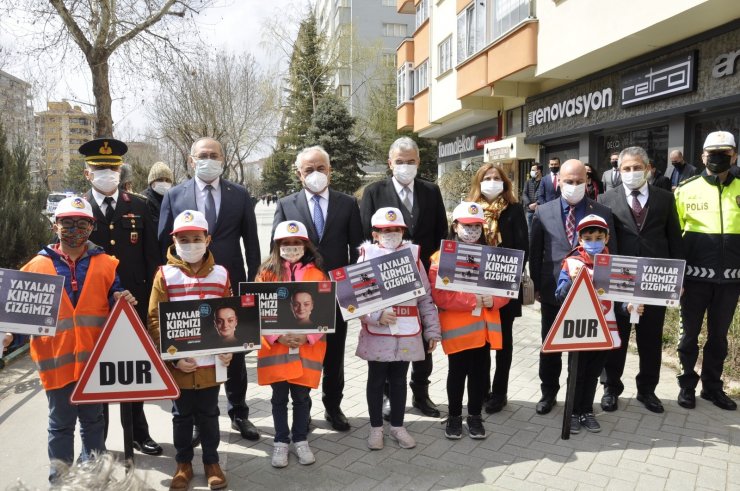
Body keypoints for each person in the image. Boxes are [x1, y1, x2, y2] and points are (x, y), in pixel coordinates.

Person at [20, 196, 136, 482]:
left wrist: (123, 301)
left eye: (81, 223)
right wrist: (10, 336)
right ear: (55, 226)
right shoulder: (35, 267)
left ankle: (94, 476)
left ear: (92, 226)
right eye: (67, 223)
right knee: (60, 425)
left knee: (93, 423)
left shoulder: (106, 264)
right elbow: (22, 317)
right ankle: (59, 479)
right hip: (56, 365)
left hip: (94, 365)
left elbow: (115, 300)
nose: (74, 229)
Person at [159, 136, 261, 441]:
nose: (209, 159)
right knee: (192, 351)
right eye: (203, 155)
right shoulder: (175, 195)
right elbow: (163, 241)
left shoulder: (240, 195)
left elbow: (252, 243)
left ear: (223, 158)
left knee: (234, 352)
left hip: (229, 284)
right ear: (191, 160)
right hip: (186, 286)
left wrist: (251, 285)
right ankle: (193, 420)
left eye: (214, 154)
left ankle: (239, 412)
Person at [79, 137, 162, 456]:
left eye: (111, 168)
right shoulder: (78, 209)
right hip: (94, 305)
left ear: (120, 170)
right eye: (99, 168)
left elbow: (152, 257)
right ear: (88, 174)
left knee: (133, 368)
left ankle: (139, 432)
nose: (106, 173)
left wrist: (154, 300)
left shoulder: (138, 205)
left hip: (135, 302)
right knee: (99, 372)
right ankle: (98, 441)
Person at [272, 145, 363, 432]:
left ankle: (333, 407)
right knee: (303, 352)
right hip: (300, 296)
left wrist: (351, 290)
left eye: (320, 168)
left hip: (336, 294)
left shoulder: (347, 204)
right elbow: (276, 252)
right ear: (300, 174)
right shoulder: (286, 204)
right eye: (309, 169)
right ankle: (304, 410)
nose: (315, 174)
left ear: (330, 171)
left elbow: (357, 250)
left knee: (334, 356)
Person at [360, 136, 447, 418]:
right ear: (390, 163)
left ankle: (421, 393)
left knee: (421, 338)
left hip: (421, 279)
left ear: (419, 162)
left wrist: (434, 273)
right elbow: (365, 235)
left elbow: (440, 234)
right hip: (385, 280)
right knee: (389, 339)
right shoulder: (374, 192)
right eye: (400, 162)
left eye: (411, 162)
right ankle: (387, 396)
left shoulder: (431, 191)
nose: (405, 166)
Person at [147, 209, 232, 490]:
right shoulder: (165, 275)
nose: (191, 244)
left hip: (210, 364)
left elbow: (230, 315)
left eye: (196, 238)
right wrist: (175, 359)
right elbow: (154, 319)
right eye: (184, 239)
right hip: (180, 365)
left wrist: (229, 348)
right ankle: (183, 464)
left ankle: (211, 463)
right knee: (181, 417)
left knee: (209, 415)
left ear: (207, 239)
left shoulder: (221, 275)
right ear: (174, 241)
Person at [597, 146, 684, 414]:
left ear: (647, 169)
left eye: (637, 167)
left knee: (650, 338)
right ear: (619, 171)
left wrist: (679, 278)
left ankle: (647, 390)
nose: (632, 172)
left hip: (654, 280)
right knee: (617, 336)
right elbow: (604, 242)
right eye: (626, 168)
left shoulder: (665, 198)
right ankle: (611, 387)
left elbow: (674, 238)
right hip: (619, 280)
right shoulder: (606, 198)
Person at [530, 159, 618, 415]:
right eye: (569, 181)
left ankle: (578, 398)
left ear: (588, 181)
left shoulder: (602, 212)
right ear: (559, 182)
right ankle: (548, 394)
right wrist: (536, 284)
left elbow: (611, 255)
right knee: (550, 346)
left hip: (592, 296)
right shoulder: (543, 211)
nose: (574, 185)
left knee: (583, 350)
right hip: (553, 291)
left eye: (580, 181)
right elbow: (536, 252)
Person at [357, 207, 441, 450]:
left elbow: (425, 297)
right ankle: (375, 429)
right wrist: (375, 316)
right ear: (375, 234)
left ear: (403, 232)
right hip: (379, 334)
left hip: (407, 331)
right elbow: (357, 300)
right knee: (375, 380)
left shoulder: (413, 258)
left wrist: (432, 331)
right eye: (385, 230)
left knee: (399, 380)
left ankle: (397, 426)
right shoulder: (366, 258)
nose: (391, 234)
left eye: (396, 230)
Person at [429, 202, 509, 440]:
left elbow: (506, 291)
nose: (472, 231)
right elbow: (440, 295)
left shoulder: (492, 254)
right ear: (456, 226)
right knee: (457, 374)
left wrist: (493, 300)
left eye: (477, 226)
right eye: (467, 226)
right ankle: (454, 417)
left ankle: (474, 416)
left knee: (480, 375)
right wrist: (473, 300)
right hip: (459, 331)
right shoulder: (441, 257)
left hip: (484, 330)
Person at [674, 131, 740, 411]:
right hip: (694, 280)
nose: (717, 158)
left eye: (724, 153)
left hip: (731, 281)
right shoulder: (685, 189)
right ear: (702, 156)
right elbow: (675, 238)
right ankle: (687, 386)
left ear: (734, 155)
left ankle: (712, 388)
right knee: (688, 335)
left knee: (719, 338)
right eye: (711, 153)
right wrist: (677, 278)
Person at [256, 220, 327, 468]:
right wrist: (276, 337)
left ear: (305, 245)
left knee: (301, 398)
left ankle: (300, 439)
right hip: (277, 349)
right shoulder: (267, 273)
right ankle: (280, 441)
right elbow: (257, 309)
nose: (292, 247)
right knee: (278, 399)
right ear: (278, 246)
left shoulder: (317, 274)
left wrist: (309, 336)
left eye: (297, 243)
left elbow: (324, 313)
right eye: (286, 243)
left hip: (306, 348)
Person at [465, 163, 528, 414]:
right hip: (475, 288)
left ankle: (499, 393)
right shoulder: (470, 210)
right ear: (478, 183)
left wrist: (504, 274)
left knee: (503, 344)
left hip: (505, 288)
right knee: (480, 342)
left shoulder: (514, 210)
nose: (492, 181)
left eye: (496, 178)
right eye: (487, 178)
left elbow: (524, 248)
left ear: (505, 182)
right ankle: (481, 390)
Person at [554, 215, 623, 434]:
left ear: (607, 238)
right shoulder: (572, 262)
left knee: (594, 372)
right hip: (579, 328)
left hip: (604, 328)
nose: (594, 241)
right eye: (588, 238)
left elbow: (620, 297)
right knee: (577, 372)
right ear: (580, 240)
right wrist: (572, 280)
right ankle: (572, 412)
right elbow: (559, 296)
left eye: (598, 237)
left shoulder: (615, 263)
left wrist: (630, 308)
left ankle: (587, 411)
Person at [142, 162, 174, 226]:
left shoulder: (172, 199)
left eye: (167, 180)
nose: (164, 183)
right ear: (152, 182)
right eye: (160, 180)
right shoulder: (144, 200)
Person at [521, 163, 542, 231]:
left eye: (533, 170)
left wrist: (537, 204)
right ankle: (530, 242)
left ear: (538, 171)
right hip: (529, 210)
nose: (531, 172)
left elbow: (545, 195)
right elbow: (524, 194)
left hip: (540, 210)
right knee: (529, 231)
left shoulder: (544, 181)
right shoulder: (528, 182)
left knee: (539, 230)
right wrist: (529, 204)